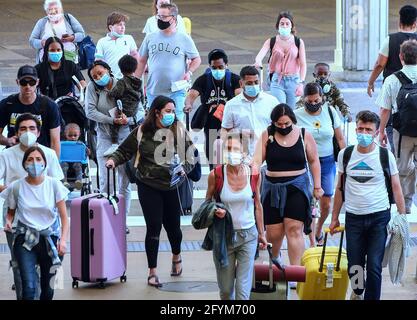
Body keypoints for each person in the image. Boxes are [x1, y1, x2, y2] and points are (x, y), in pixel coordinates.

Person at [105, 95, 196, 287]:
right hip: (148, 185)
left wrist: (183, 170)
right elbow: (124, 150)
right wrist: (113, 160)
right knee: (153, 228)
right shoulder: (142, 131)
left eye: (173, 111)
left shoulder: (178, 129)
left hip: (172, 185)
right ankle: (152, 272)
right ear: (157, 112)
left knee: (174, 228)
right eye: (168, 111)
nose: (172, 115)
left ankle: (176, 256)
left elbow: (191, 155)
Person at [330, 111, 406, 300]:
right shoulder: (345, 154)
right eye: (360, 128)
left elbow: (396, 187)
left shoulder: (384, 155)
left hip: (379, 218)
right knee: (355, 265)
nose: (363, 132)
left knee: (374, 266)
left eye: (368, 129)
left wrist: (402, 216)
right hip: (354, 218)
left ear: (375, 132)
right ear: (356, 128)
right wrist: (333, 219)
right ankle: (357, 292)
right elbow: (339, 189)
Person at [253, 104, 323, 286]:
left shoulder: (303, 134)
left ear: (292, 120)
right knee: (274, 233)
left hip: (297, 187)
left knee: (294, 229)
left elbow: (314, 161)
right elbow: (257, 160)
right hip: (272, 188)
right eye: (279, 124)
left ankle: (295, 271)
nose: (283, 127)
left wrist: (317, 186)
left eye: (286, 123)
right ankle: (275, 265)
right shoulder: (267, 135)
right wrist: (251, 178)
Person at [0, 113, 63, 300]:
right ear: (16, 132)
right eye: (23, 129)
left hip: (46, 223)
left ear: (39, 131)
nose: (28, 132)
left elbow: (57, 186)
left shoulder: (48, 154)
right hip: (18, 222)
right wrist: (16, 190)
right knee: (22, 272)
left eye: (32, 128)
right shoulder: (7, 155)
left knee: (49, 273)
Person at [203, 133, 267, 300]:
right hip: (224, 237)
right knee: (225, 290)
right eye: (228, 149)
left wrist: (262, 234)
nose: (231, 153)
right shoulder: (216, 175)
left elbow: (258, 205)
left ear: (245, 153)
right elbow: (206, 204)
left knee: (243, 291)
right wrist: (216, 211)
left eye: (236, 149)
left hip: (248, 236)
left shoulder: (254, 174)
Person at [294, 82, 346, 246]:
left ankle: (317, 231)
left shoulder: (330, 112)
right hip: (305, 163)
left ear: (322, 98)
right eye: (310, 101)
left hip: (327, 162)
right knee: (310, 201)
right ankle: (311, 240)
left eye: (317, 100)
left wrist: (347, 160)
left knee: (326, 203)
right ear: (304, 99)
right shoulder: (296, 115)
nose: (314, 104)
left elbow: (340, 138)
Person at [85, 61, 133, 227]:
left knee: (124, 180)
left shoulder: (124, 83)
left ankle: (123, 221)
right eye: (95, 76)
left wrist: (128, 119)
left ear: (107, 70)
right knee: (106, 180)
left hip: (125, 135)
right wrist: (111, 120)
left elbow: (139, 108)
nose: (99, 77)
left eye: (100, 73)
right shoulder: (93, 88)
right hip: (104, 136)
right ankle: (107, 219)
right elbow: (90, 111)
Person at [136, 2, 201, 122]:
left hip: (176, 91)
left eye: (164, 17)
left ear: (173, 18)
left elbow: (196, 59)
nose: (160, 19)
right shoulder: (150, 37)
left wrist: (189, 72)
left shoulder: (184, 38)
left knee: (176, 123)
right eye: (158, 16)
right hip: (154, 90)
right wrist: (135, 81)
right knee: (154, 123)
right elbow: (142, 60)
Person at [368, 5, 417, 153]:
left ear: (399, 21)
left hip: (395, 95)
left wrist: (371, 81)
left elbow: (380, 64)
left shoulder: (391, 40)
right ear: (415, 23)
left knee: (397, 145)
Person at [377, 39, 417, 215]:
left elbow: (385, 110)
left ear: (401, 57)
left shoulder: (392, 79)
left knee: (402, 168)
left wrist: (381, 132)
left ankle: (404, 206)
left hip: (402, 132)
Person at [184, 49, 241, 169]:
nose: (218, 70)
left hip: (230, 122)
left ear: (226, 65)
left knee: (230, 152)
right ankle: (214, 175)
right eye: (214, 68)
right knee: (212, 153)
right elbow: (192, 95)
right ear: (210, 66)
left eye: (221, 67)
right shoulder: (204, 79)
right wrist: (188, 104)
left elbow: (239, 96)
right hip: (211, 122)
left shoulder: (234, 79)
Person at [0, 65, 61, 156]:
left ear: (37, 82)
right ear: (17, 82)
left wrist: (53, 165)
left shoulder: (49, 106)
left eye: (32, 82)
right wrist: (7, 141)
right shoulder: (7, 104)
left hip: (40, 157)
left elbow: (55, 141)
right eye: (23, 82)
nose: (28, 86)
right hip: (14, 155)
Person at [221, 66, 279, 158]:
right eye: (249, 83)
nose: (253, 86)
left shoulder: (272, 101)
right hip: (244, 157)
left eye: (256, 82)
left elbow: (279, 125)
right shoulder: (231, 105)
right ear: (241, 83)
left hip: (269, 155)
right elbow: (225, 130)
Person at [254, 11, 306, 108]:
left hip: (293, 80)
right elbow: (260, 55)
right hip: (277, 80)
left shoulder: (298, 42)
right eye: (282, 24)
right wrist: (258, 61)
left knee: (291, 110)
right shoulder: (272, 41)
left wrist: (301, 83)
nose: (284, 26)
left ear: (291, 26)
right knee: (280, 108)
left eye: (287, 24)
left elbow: (303, 64)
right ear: (278, 26)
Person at [108, 54, 143, 149]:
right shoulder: (139, 82)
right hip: (134, 109)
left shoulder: (122, 82)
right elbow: (142, 96)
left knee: (114, 123)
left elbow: (116, 93)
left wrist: (109, 93)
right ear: (135, 68)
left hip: (124, 110)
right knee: (134, 126)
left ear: (121, 69)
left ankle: (114, 144)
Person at [95, 12, 139, 79]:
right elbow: (98, 61)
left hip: (127, 78)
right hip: (110, 79)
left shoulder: (129, 38)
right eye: (119, 25)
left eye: (124, 24)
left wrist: (136, 72)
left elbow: (135, 55)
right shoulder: (102, 42)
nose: (123, 27)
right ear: (110, 27)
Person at [61, 123, 83, 189]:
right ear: (65, 135)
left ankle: (79, 181)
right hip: (65, 161)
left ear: (79, 134)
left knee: (78, 167)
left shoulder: (80, 144)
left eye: (75, 135)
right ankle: (64, 182)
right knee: (63, 166)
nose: (73, 137)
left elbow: (87, 152)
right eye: (70, 136)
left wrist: (87, 151)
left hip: (76, 161)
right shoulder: (63, 144)